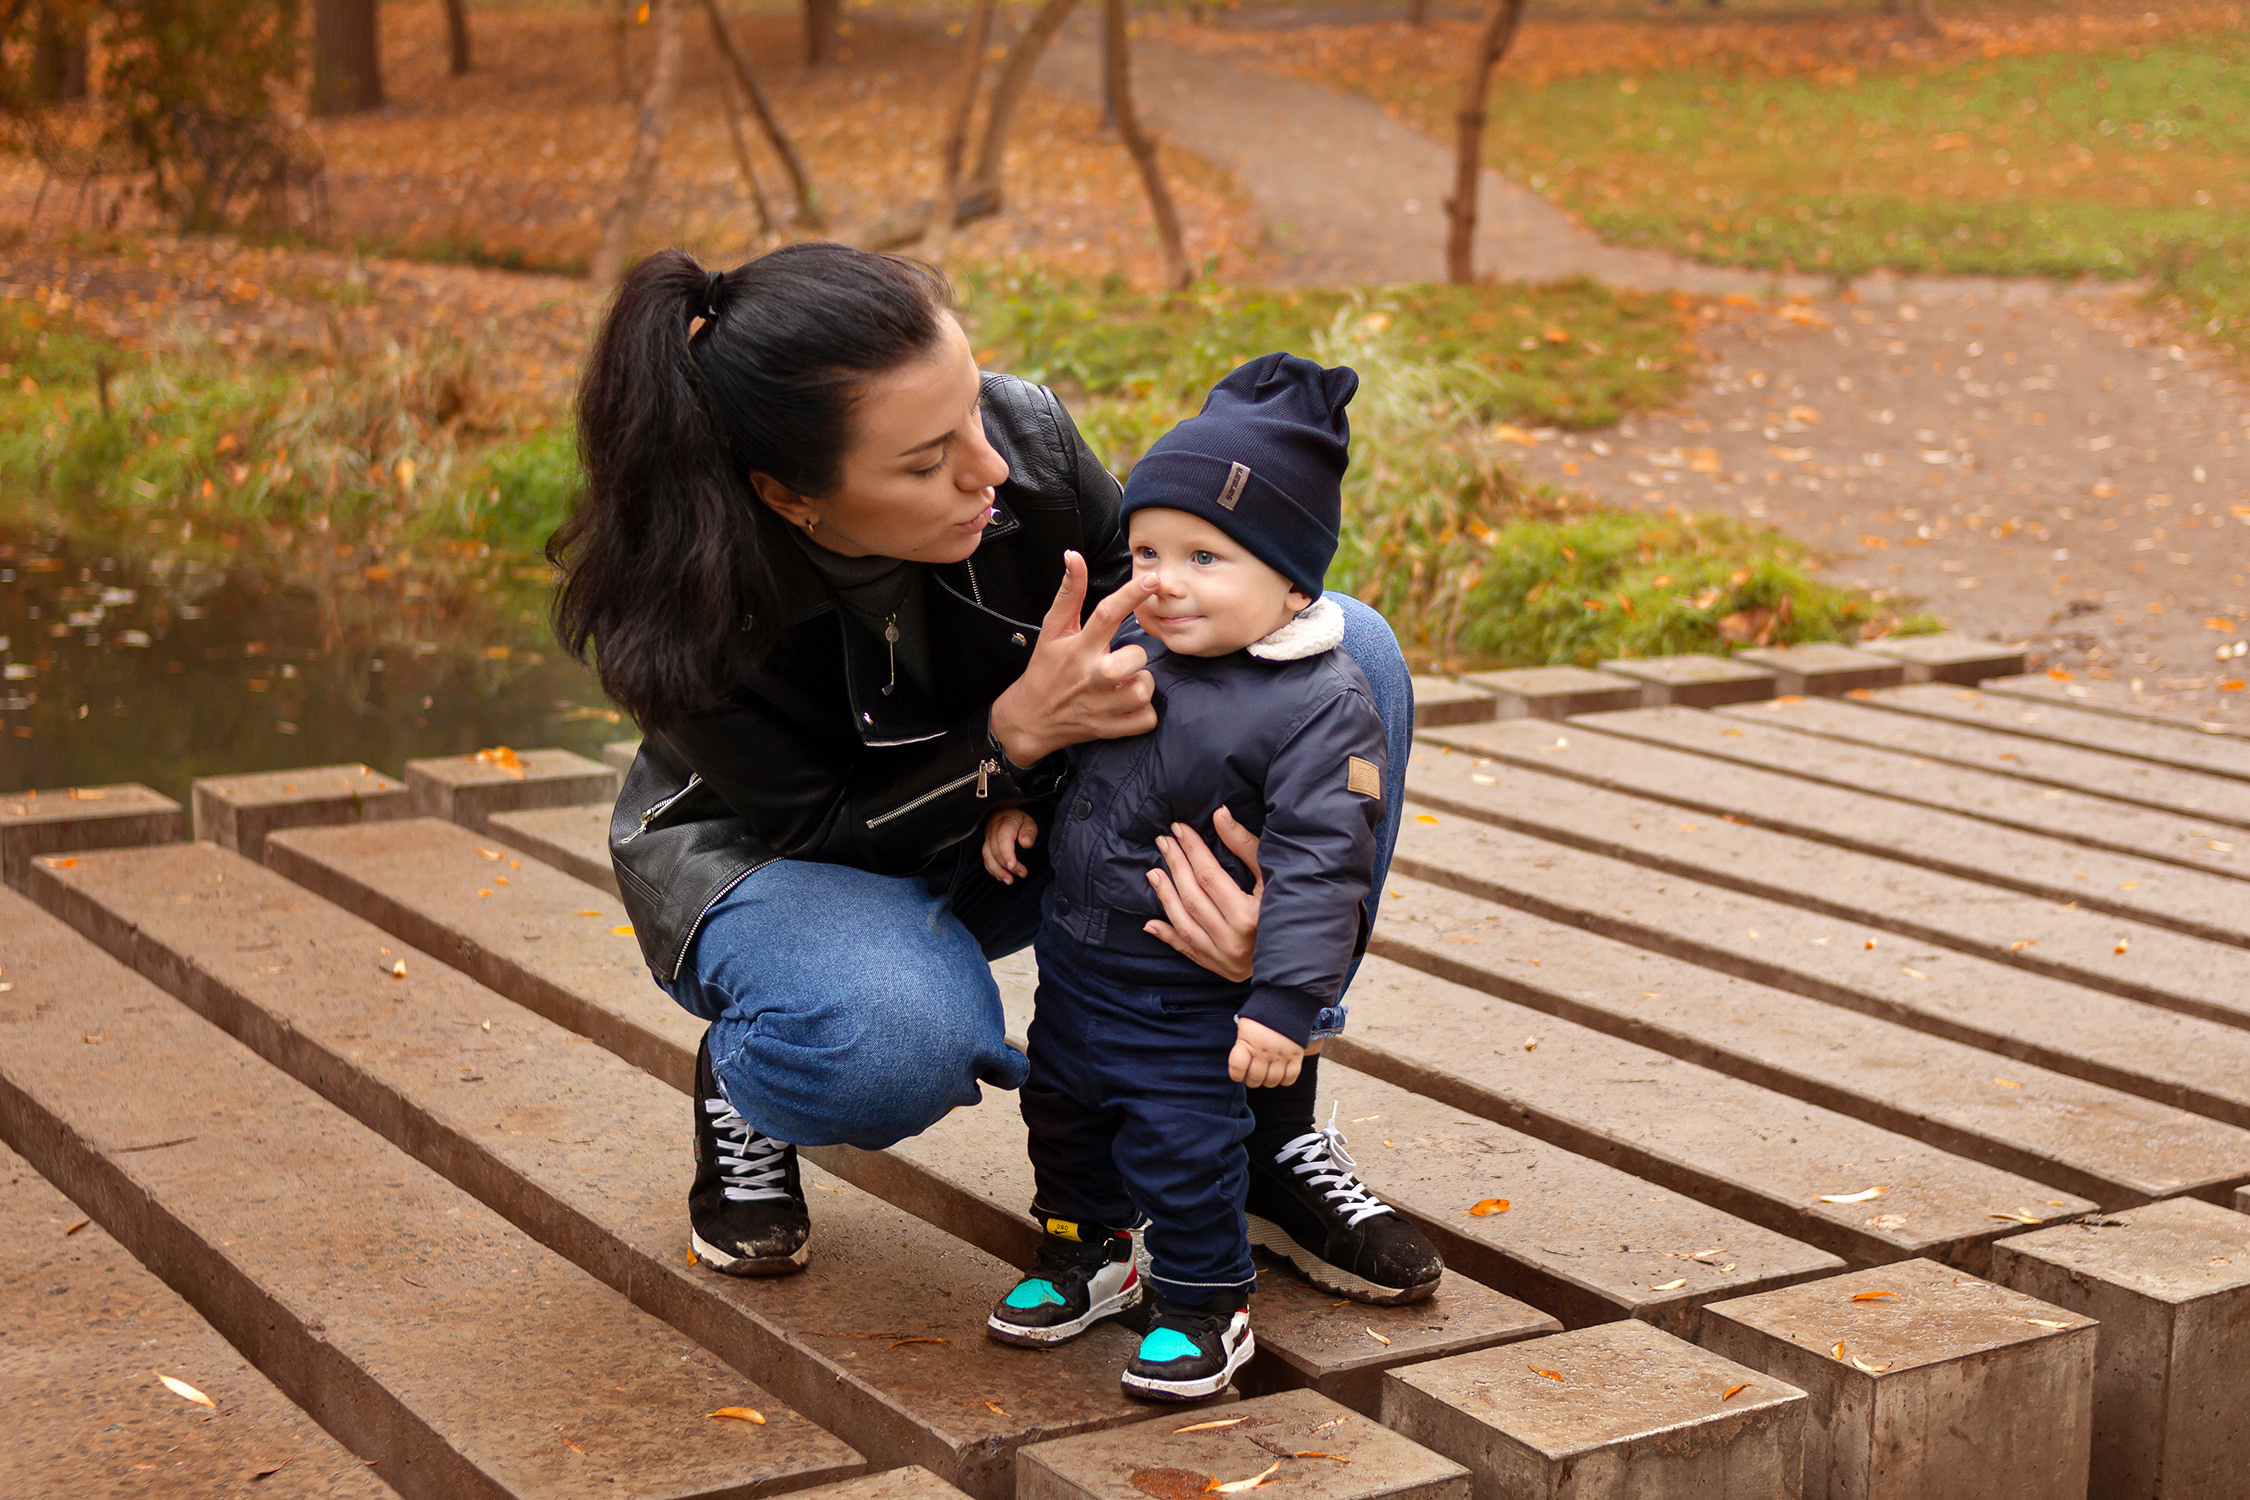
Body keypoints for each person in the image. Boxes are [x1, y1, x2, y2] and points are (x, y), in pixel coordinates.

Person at [549, 242, 1443, 1308]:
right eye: (927, 464)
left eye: (975, 409)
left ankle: (1262, 1125)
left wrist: (1281, 939)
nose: (993, 469)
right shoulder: (678, 603)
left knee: (1350, 659)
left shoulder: (1026, 444)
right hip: (790, 866)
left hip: (1023, 816)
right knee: (894, 1040)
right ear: (790, 497)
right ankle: (758, 1074)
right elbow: (821, 831)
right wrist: (1004, 746)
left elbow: (1188, 657)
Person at [980, 353, 1427, 1401]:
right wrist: (1016, 801)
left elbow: (1323, 864)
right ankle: (1087, 1253)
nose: (1163, 579)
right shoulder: (1135, 644)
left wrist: (1286, 1003)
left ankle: (1201, 1302)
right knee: (1065, 1120)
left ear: (1291, 582)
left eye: (1204, 557)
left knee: (1185, 1148)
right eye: (1145, 550)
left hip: (1192, 1002)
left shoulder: (1321, 703)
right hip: (1080, 973)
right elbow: (1083, 750)